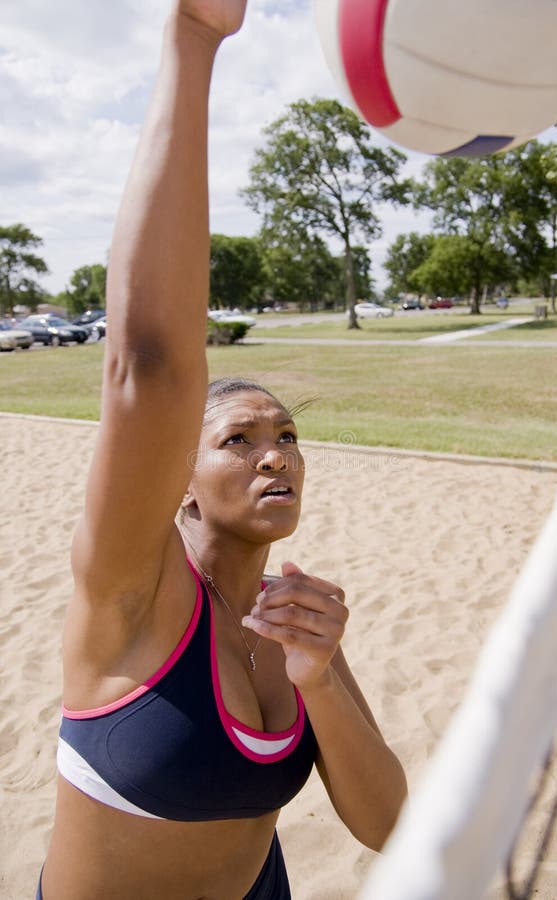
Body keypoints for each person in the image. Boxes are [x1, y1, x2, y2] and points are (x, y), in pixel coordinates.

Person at [39, 2, 407, 897]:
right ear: (186, 485)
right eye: (238, 440)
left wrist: (318, 679)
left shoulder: (296, 615)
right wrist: (196, 37)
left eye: (287, 435)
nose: (275, 455)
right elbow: (150, 369)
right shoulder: (131, 590)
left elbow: (388, 824)